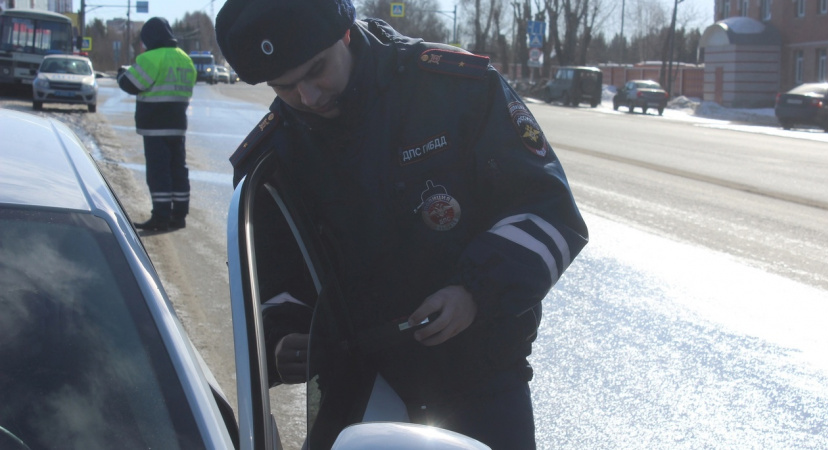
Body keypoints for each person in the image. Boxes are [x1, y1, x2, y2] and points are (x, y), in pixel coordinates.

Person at [215, 0, 589, 448]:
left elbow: (547, 210)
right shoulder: (274, 155)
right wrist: (282, 340)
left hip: (481, 378)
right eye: (285, 86)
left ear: (346, 34)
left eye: (317, 70)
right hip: (356, 387)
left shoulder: (455, 89)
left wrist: (474, 291)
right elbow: (273, 270)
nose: (309, 98)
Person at [118, 17, 196, 231]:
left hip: (155, 125)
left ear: (150, 38)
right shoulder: (185, 59)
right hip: (178, 124)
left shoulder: (150, 58)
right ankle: (179, 216)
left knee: (158, 171)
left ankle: (160, 217)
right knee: (178, 169)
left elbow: (131, 84)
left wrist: (121, 74)